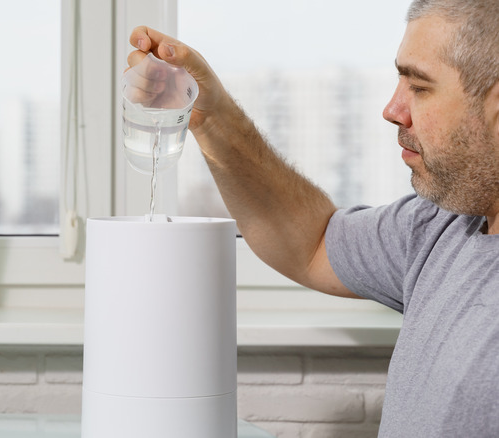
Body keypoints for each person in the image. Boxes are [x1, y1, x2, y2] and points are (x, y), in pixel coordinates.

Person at [127, 1, 499, 437]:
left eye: (419, 86)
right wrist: (210, 117)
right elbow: (313, 242)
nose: (393, 109)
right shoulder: (443, 225)